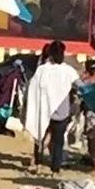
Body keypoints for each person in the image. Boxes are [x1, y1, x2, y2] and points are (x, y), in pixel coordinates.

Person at [25, 40, 80, 175]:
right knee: (58, 141)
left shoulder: (42, 69)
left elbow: (33, 88)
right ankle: (55, 168)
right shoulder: (68, 70)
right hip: (61, 111)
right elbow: (80, 85)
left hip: (44, 109)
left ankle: (38, 164)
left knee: (40, 137)